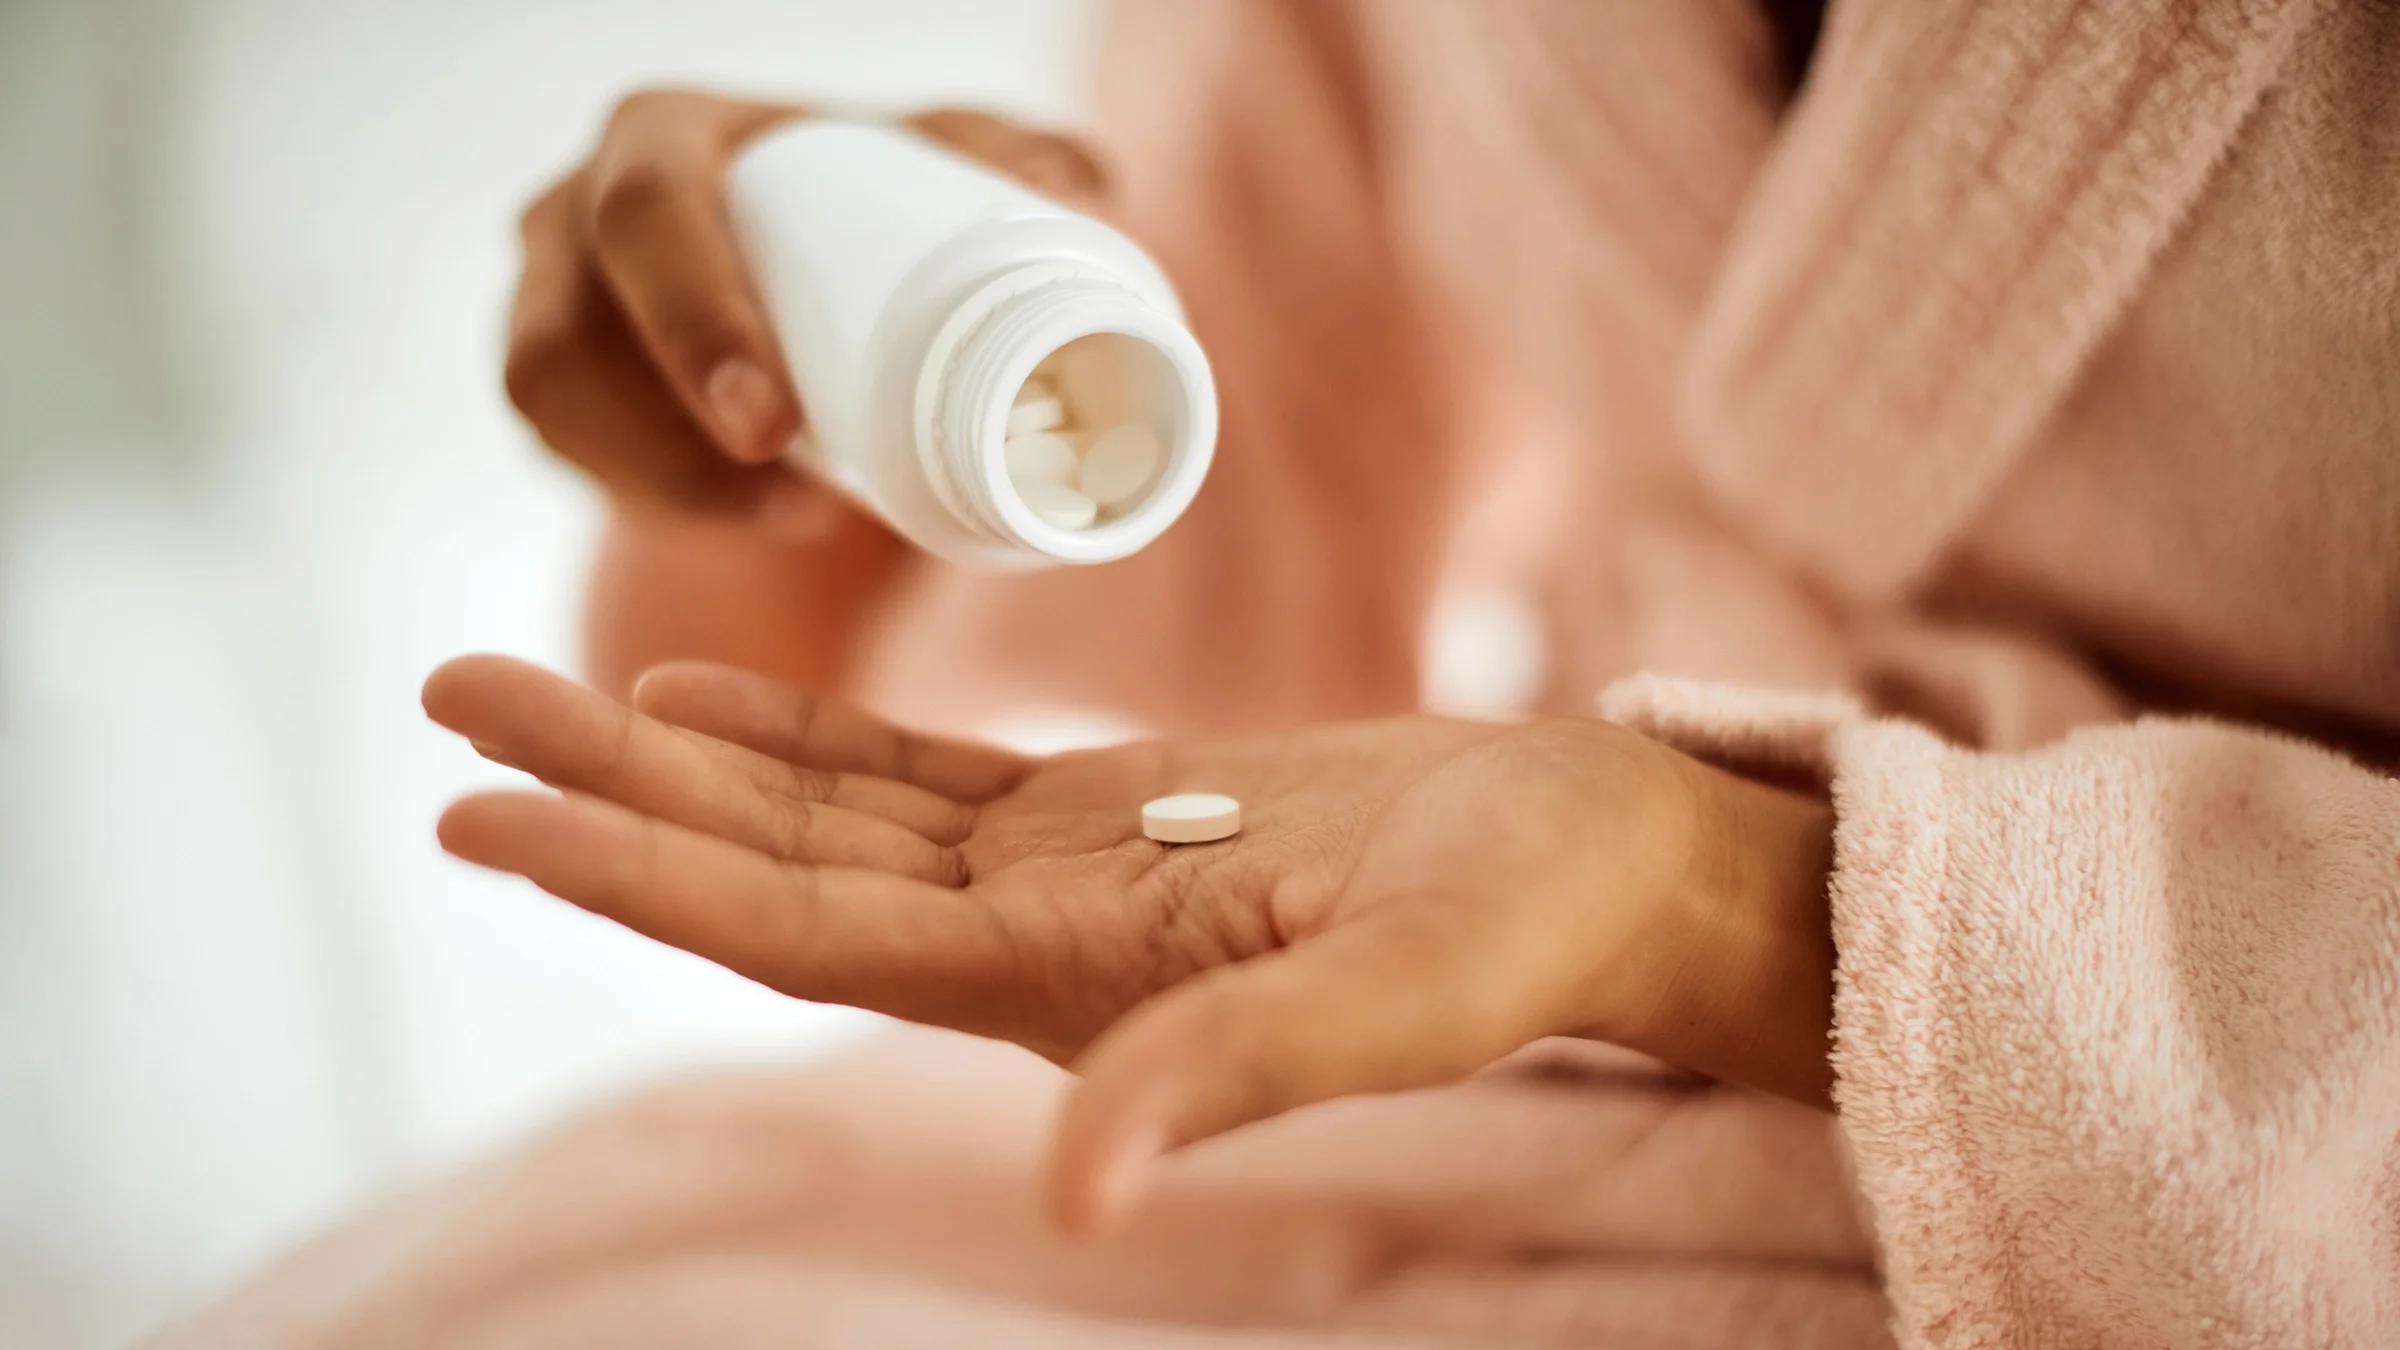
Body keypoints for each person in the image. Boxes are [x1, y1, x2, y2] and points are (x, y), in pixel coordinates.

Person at [156, 1, 2400, 1346]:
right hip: (1537, 1051)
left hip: (2209, 1196)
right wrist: (808, 376)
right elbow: (1163, 495)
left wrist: (1732, 902)